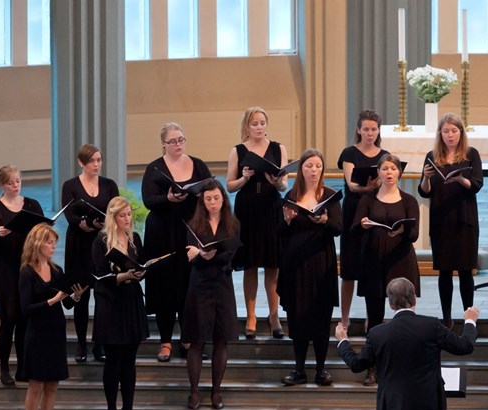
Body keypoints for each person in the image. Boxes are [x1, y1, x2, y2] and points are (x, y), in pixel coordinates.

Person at [335, 278, 479, 410]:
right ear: (415, 300)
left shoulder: (378, 334)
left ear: (390, 303)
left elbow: (356, 364)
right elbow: (464, 346)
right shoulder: (431, 326)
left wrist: (343, 341)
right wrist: (470, 320)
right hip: (429, 409)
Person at [141, 122, 213, 362]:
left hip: (190, 232)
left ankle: (187, 339)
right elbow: (148, 200)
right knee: (164, 287)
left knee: (189, 287)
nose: (178, 144)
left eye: (181, 139)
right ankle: (165, 342)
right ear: (164, 144)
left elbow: (212, 189)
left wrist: (202, 194)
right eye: (173, 141)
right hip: (162, 234)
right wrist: (168, 198)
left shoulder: (198, 164)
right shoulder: (154, 168)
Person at [19, 223, 87, 410]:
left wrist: (75, 296)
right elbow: (26, 308)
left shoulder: (56, 271)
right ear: (38, 243)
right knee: (36, 384)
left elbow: (66, 302)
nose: (53, 246)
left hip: (55, 331)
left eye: (54, 242)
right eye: (50, 242)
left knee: (52, 385)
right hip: (37, 333)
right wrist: (53, 300)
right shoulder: (27, 272)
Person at [353, 154, 421, 386]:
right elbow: (354, 227)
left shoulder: (408, 200)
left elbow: (414, 234)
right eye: (384, 168)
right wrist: (363, 225)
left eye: (393, 168)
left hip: (400, 260)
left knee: (405, 319)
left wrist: (401, 231)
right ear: (379, 172)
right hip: (374, 260)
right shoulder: (368, 199)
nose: (389, 172)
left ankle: (405, 366)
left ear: (398, 172)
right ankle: (373, 367)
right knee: (374, 318)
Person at [278, 149, 342, 386]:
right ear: (301, 170)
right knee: (297, 317)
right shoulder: (291, 196)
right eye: (308, 166)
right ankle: (299, 369)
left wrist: (325, 221)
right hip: (296, 266)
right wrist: (286, 221)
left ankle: (321, 369)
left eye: (317, 166)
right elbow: (278, 232)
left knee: (321, 316)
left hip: (321, 265)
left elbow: (339, 228)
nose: (313, 170)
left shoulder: (330, 196)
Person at [226, 106, 288, 340]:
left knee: (273, 264)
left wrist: (276, 181)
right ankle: (251, 316)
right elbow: (229, 186)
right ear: (247, 126)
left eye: (262, 123)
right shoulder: (238, 150)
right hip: (248, 208)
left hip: (271, 205)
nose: (259, 127)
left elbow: (284, 184)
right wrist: (244, 178)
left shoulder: (277, 148)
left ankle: (274, 315)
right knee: (250, 264)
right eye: (255, 123)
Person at [419, 113, 483, 329]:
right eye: (446, 131)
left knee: (466, 271)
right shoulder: (431, 156)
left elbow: (476, 184)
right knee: (444, 271)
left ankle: (468, 317)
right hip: (441, 220)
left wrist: (460, 179)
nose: (450, 135)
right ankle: (446, 317)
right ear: (440, 134)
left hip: (464, 219)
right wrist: (427, 178)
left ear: (461, 132)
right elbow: (424, 192)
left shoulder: (471, 154)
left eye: (454, 131)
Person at [91, 197, 150, 410]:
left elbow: (142, 265)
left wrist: (141, 273)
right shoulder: (102, 240)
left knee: (129, 362)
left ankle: (128, 409)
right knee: (114, 361)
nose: (127, 219)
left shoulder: (134, 239)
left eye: (129, 215)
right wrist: (124, 276)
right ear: (113, 217)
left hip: (131, 302)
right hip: (111, 304)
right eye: (123, 215)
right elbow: (99, 276)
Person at [0, 165, 44, 386]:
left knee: (25, 321)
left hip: (28, 270)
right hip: (6, 272)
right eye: (11, 183)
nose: (16, 185)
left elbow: (42, 232)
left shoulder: (31, 205)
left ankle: (23, 367)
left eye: (18, 181)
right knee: (8, 320)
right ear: (2, 185)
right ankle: (4, 368)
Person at [182, 180, 240, 410]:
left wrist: (207, 255)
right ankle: (194, 391)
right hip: (200, 286)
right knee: (196, 340)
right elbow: (190, 255)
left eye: (216, 198)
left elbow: (230, 256)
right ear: (202, 201)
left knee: (221, 340)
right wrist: (202, 255)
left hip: (222, 285)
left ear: (223, 198)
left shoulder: (233, 224)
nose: (213, 202)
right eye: (208, 199)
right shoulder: (193, 224)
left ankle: (216, 391)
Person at [61, 144, 120, 363]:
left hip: (102, 244)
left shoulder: (109, 185)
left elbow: (116, 210)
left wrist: (101, 222)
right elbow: (68, 214)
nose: (96, 164)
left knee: (102, 296)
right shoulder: (70, 186)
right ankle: (81, 345)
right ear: (81, 163)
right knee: (81, 294)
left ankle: (99, 344)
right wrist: (82, 223)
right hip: (78, 244)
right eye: (91, 161)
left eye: (98, 160)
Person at [337, 110, 388, 331]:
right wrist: (366, 187)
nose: (369, 133)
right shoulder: (349, 152)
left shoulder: (384, 154)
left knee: (373, 269)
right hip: (353, 211)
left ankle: (372, 318)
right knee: (348, 269)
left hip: (375, 210)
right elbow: (351, 183)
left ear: (378, 131)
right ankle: (344, 318)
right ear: (358, 130)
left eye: (373, 129)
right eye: (366, 129)